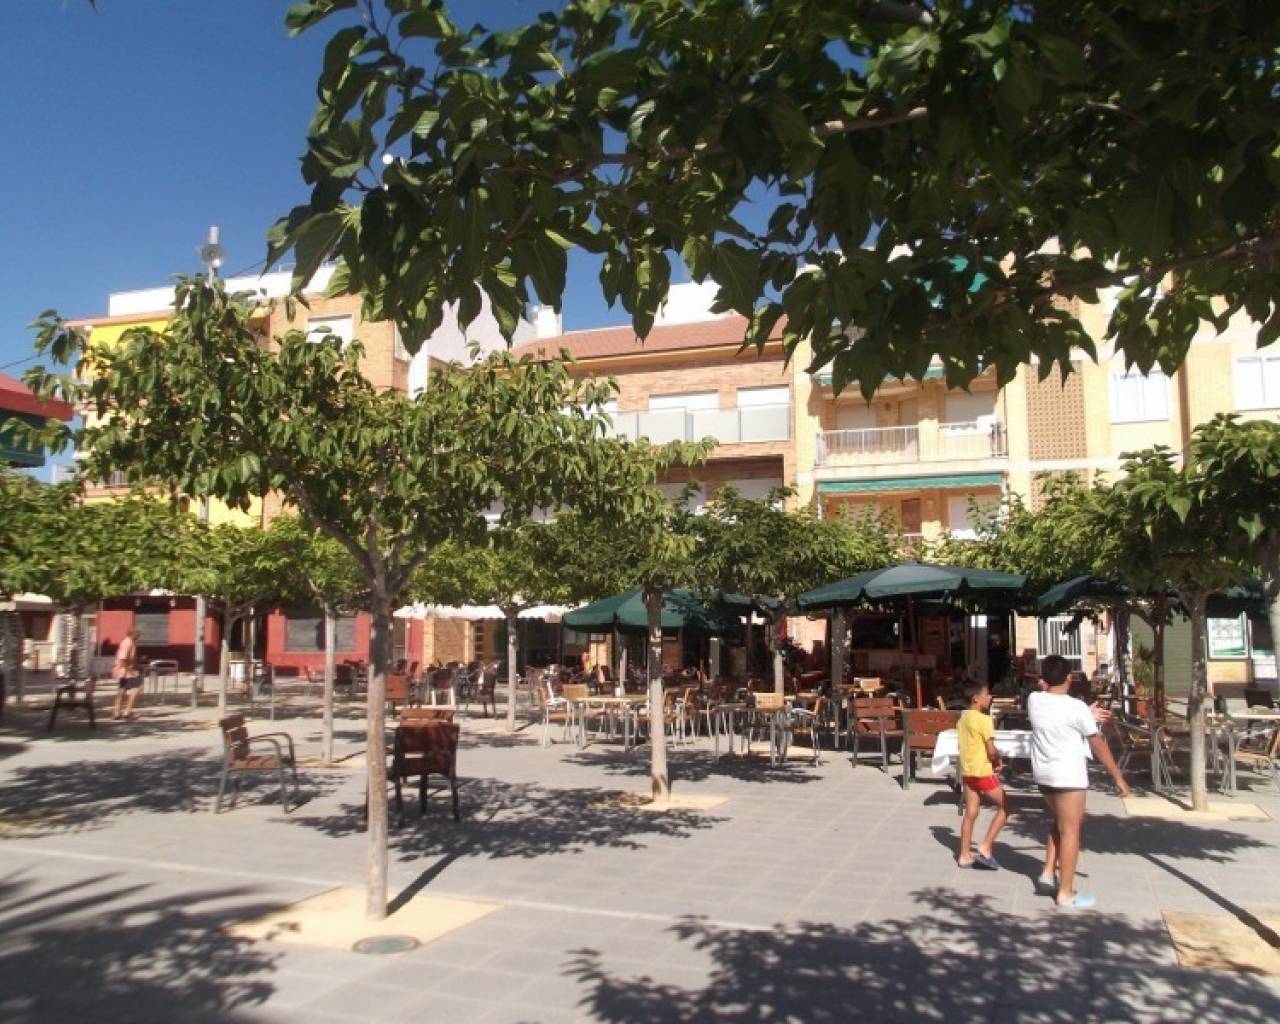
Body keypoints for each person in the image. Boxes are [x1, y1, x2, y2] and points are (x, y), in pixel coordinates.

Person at [1028, 654, 1131, 909]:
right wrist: (1117, 776)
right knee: (1071, 832)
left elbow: (1055, 705)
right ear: (1069, 678)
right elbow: (1098, 744)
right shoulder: (1076, 708)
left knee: (1060, 822)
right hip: (1069, 777)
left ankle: (1048, 872)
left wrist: (1087, 712)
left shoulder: (1034, 700)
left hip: (1043, 775)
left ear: (1044, 678)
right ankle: (1065, 892)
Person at [956, 680, 1008, 869]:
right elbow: (991, 750)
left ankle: (964, 855)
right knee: (1006, 807)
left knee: (971, 812)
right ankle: (985, 846)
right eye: (986, 694)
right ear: (976, 698)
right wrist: (998, 760)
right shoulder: (984, 720)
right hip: (983, 772)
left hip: (967, 772)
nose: (990, 697)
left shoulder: (962, 718)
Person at [111, 628, 143, 720]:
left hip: (124, 670)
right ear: (133, 634)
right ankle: (127, 712)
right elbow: (123, 658)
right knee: (137, 688)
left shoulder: (129, 642)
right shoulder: (127, 643)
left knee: (122, 690)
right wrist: (130, 670)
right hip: (126, 670)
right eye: (138, 634)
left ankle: (117, 712)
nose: (139, 636)